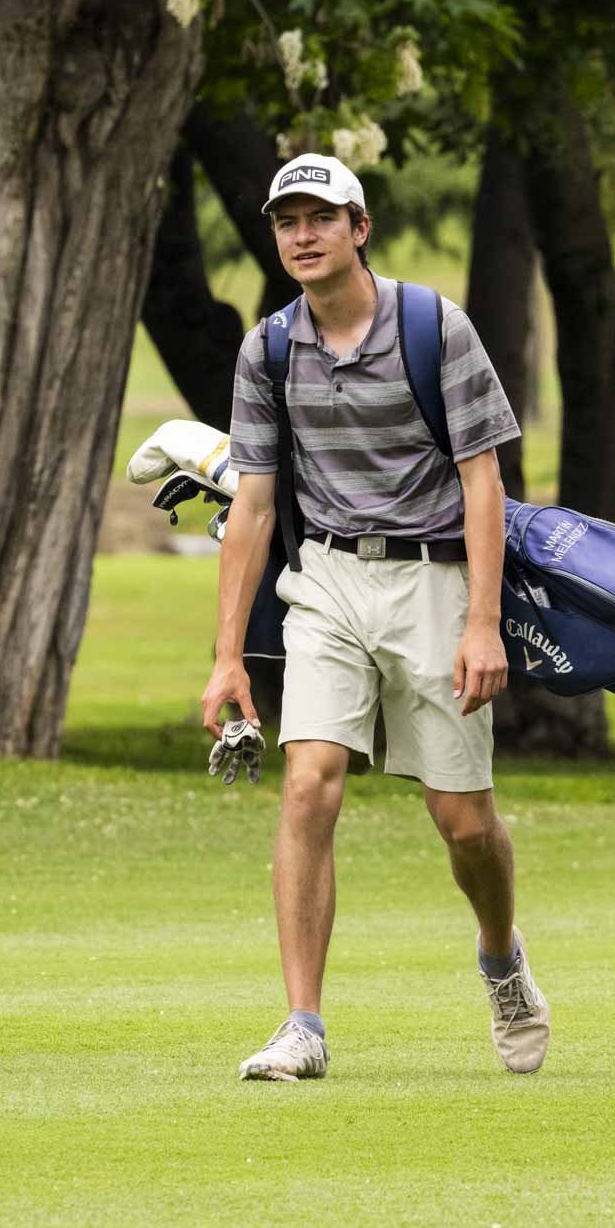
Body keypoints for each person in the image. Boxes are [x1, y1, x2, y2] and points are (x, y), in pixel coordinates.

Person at [200, 153, 550, 1080]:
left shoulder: (435, 326)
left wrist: (483, 622)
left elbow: (483, 481)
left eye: (322, 217)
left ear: (360, 228)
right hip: (326, 580)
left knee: (463, 821)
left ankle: (501, 957)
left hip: (437, 580)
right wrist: (228, 656)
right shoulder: (268, 349)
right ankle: (302, 1025)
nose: (303, 235)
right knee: (308, 781)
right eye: (287, 222)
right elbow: (253, 507)